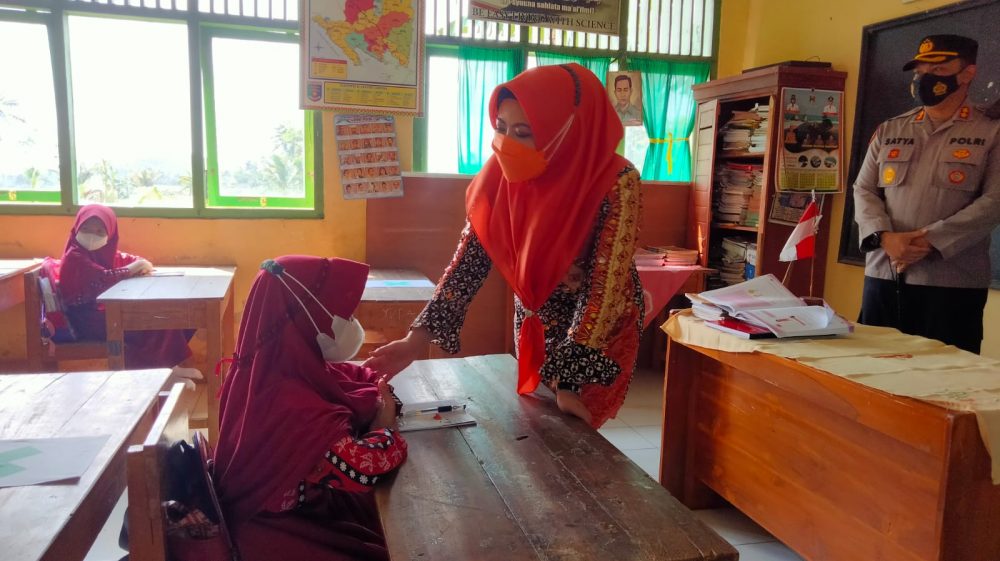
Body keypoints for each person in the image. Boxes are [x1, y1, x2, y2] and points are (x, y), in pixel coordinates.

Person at [364, 63, 643, 428]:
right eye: (501, 128)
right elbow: (468, 263)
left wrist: (570, 378)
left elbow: (603, 288)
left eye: (524, 132)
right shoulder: (498, 175)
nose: (507, 144)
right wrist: (416, 340)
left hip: (594, 334)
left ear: (567, 130)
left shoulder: (615, 181)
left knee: (575, 436)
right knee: (534, 422)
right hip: (533, 320)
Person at [214, 256, 407, 561]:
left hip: (300, 510)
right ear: (310, 317)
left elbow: (348, 377)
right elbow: (362, 469)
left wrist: (376, 388)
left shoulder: (271, 367)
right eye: (343, 314)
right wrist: (385, 426)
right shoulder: (289, 403)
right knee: (393, 544)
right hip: (276, 535)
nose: (353, 323)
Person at [854, 34, 1000, 354]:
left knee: (942, 384)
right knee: (871, 372)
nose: (925, 77)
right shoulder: (891, 129)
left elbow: (994, 201)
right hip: (884, 272)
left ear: (968, 73)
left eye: (939, 67)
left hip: (952, 283)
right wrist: (884, 237)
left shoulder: (991, 130)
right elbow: (864, 188)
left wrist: (929, 240)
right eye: (920, 69)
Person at [59, 204, 202, 385]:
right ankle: (158, 376)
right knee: (149, 322)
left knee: (170, 317)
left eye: (99, 231)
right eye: (85, 229)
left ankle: (168, 367)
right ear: (76, 228)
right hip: (87, 321)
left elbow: (126, 259)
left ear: (110, 233)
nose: (91, 236)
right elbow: (103, 278)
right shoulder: (75, 256)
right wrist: (132, 269)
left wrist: (139, 264)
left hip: (104, 314)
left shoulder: (104, 253)